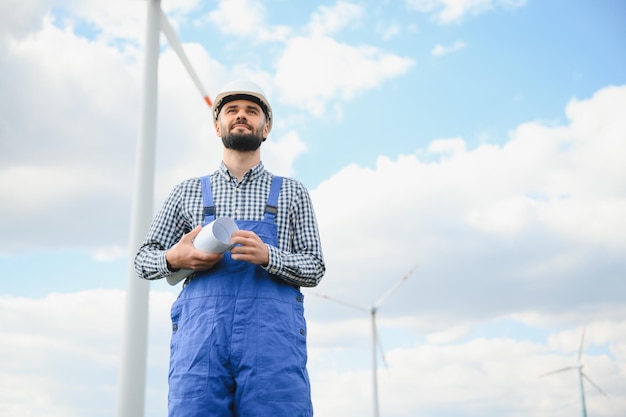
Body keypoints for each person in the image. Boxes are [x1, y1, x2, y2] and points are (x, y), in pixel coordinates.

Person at [135, 80, 326, 417]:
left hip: (272, 345)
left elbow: (315, 266)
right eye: (232, 110)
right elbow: (143, 260)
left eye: (252, 111)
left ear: (265, 128)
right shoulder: (187, 192)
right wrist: (173, 257)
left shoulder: (293, 193)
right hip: (202, 343)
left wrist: (269, 256)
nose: (242, 116)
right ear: (217, 125)